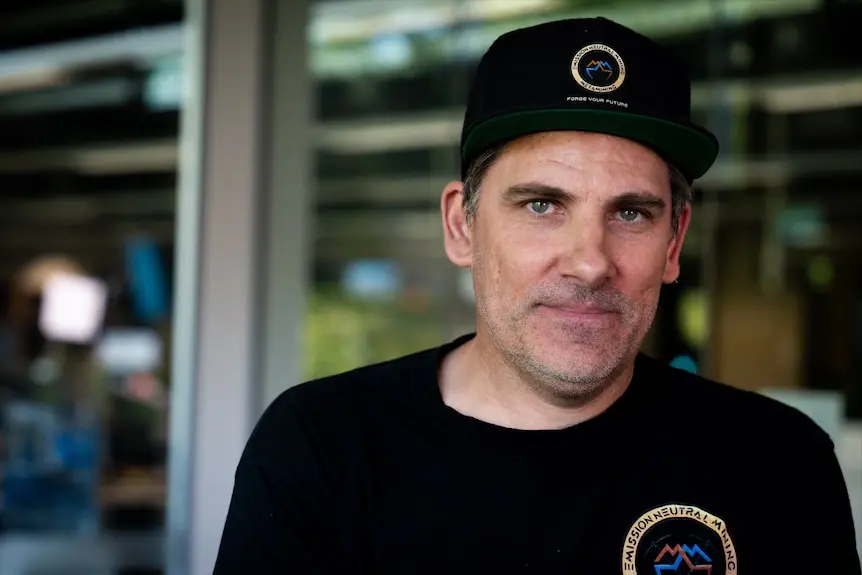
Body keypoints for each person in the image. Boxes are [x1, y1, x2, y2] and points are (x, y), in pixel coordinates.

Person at [214, 17, 860, 574]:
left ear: (673, 242)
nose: (589, 261)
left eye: (631, 213)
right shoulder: (325, 446)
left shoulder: (776, 462)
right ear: (461, 225)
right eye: (542, 204)